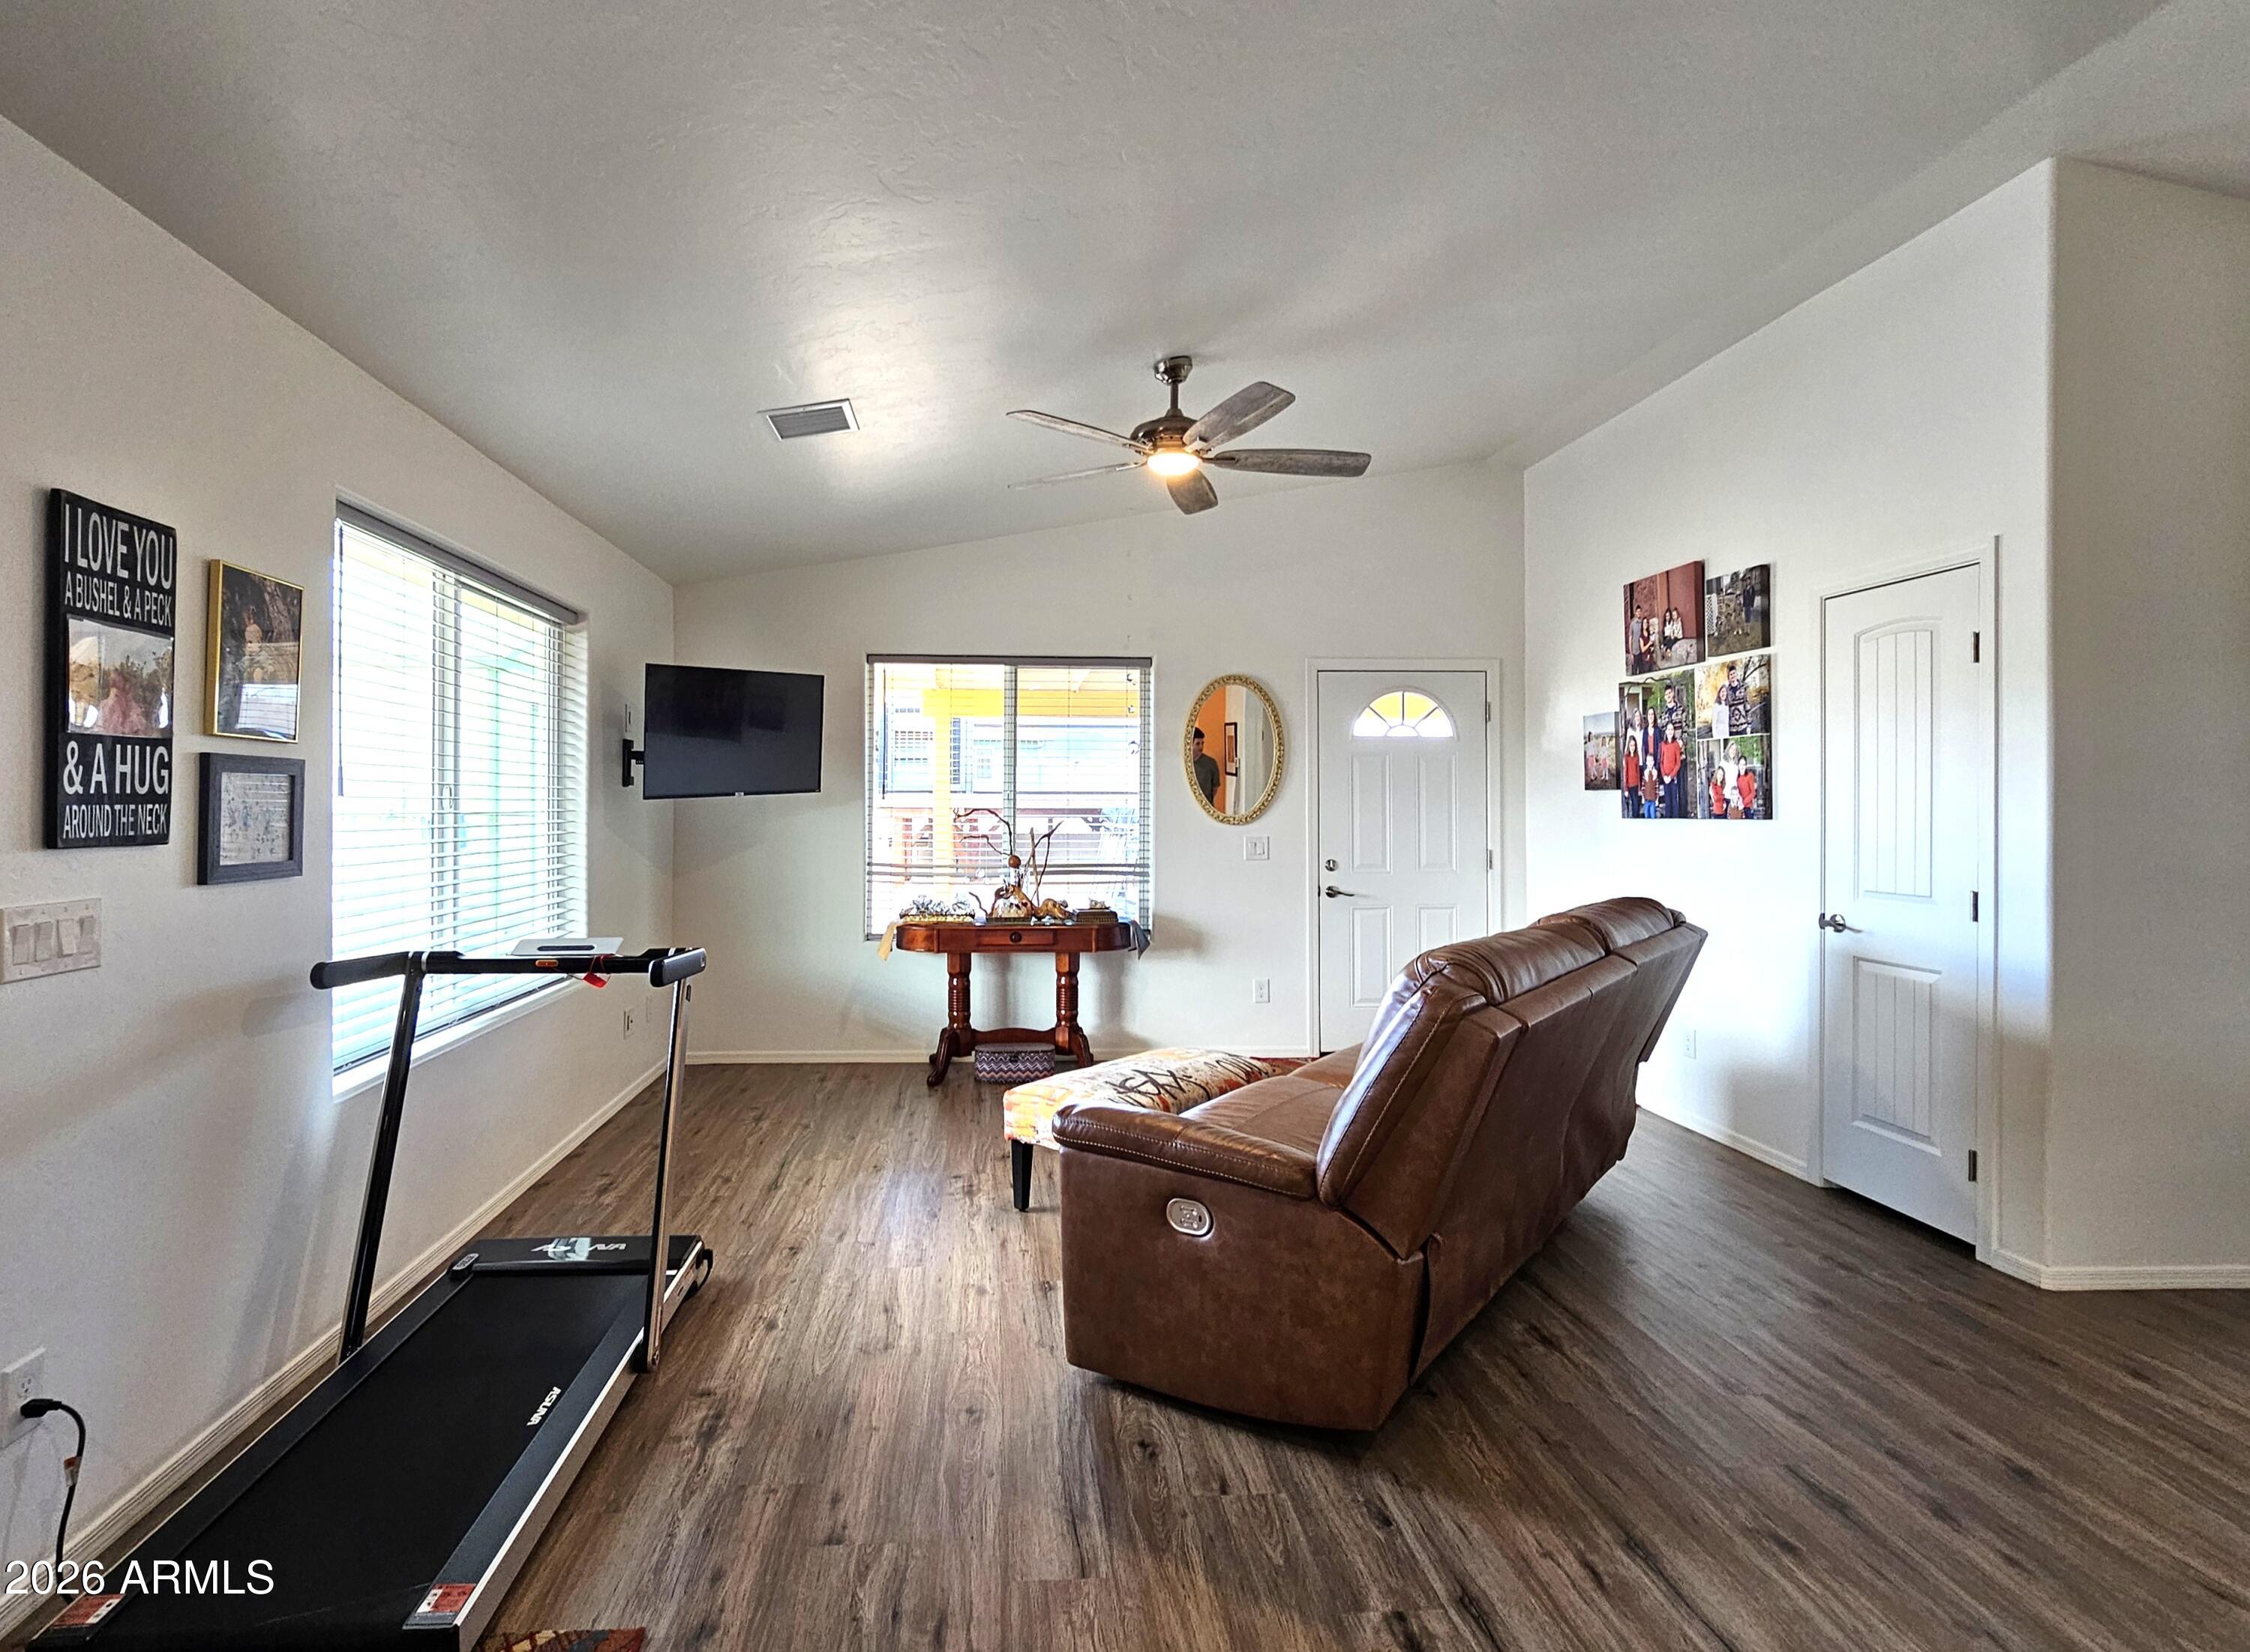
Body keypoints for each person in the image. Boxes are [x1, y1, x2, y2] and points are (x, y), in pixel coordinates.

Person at [1191, 727, 1221, 805]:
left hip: (1206, 805)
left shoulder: (1211, 763)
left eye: (1202, 743)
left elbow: (1215, 788)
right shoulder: (1184, 764)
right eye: (1198, 744)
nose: (1201, 747)